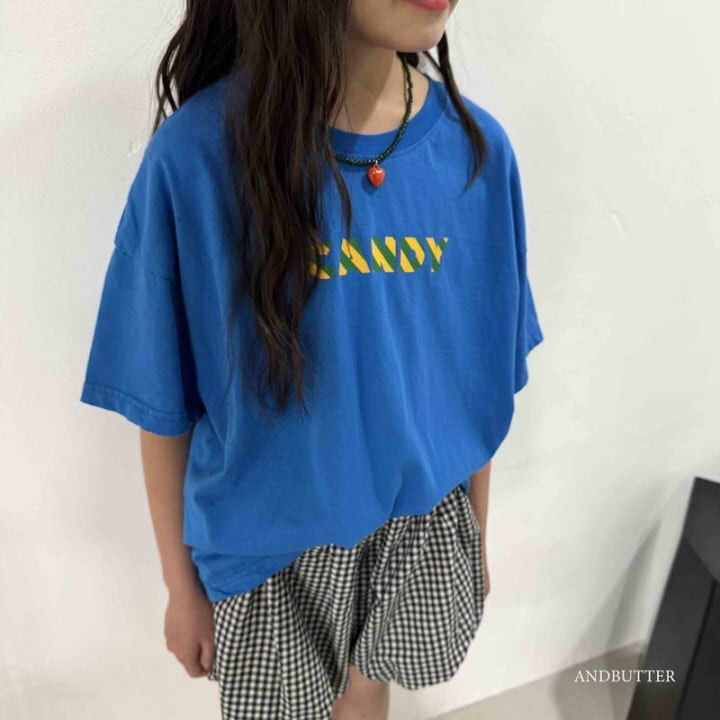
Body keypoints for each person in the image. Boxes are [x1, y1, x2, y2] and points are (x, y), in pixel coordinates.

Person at [79, 0, 544, 718]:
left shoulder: (476, 153)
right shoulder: (197, 158)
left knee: (369, 691)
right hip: (270, 549)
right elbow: (163, 398)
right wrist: (180, 585)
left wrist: (474, 536)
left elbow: (473, 380)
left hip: (421, 530)